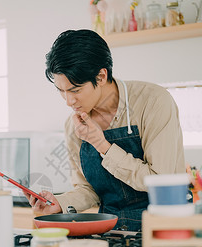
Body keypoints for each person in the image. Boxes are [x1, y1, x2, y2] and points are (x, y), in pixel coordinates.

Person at [24, 29, 185, 231]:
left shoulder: (152, 102)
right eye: (61, 91)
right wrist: (60, 203)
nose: (68, 101)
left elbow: (160, 180)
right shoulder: (74, 126)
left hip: (162, 230)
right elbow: (88, 189)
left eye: (75, 90)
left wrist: (103, 146)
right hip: (111, 233)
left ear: (101, 76)